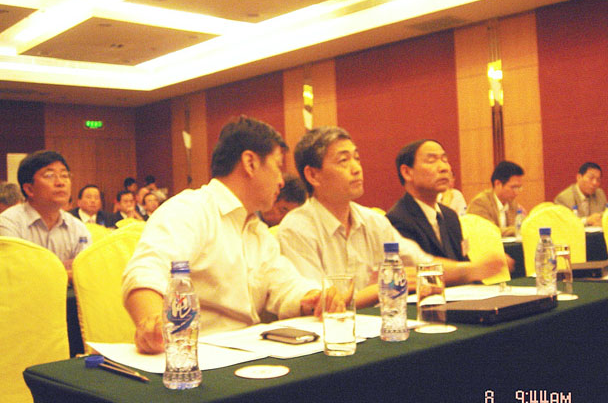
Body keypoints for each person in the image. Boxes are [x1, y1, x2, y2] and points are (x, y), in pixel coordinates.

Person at [122, 116, 339, 354]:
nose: (281, 181)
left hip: (248, 351)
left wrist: (312, 297)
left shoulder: (257, 231)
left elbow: (283, 284)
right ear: (250, 163)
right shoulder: (190, 210)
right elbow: (146, 271)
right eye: (278, 166)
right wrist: (151, 320)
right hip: (197, 354)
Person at [277, 127, 505, 309]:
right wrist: (383, 288)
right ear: (313, 175)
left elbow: (421, 263)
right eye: (343, 161)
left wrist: (472, 269)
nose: (356, 168)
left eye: (357, 158)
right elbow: (321, 304)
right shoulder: (296, 228)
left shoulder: (373, 221)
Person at [0, 150, 91, 280]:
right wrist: (65, 272)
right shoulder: (9, 223)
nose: (60, 182)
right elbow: (16, 274)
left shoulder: (77, 227)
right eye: (49, 176)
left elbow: (86, 272)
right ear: (29, 189)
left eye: (64, 175)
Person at [386, 140, 467, 261]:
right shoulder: (397, 220)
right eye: (431, 161)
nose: (444, 168)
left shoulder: (450, 216)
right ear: (407, 172)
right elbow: (415, 268)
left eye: (445, 160)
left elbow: (464, 262)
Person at [467, 161, 525, 237]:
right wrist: (519, 229)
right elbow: (489, 231)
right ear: (498, 184)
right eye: (513, 187)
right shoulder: (480, 203)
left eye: (519, 187)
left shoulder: (512, 203)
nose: (517, 192)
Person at [554, 162, 607, 226]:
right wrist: (587, 221)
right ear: (579, 177)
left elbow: (606, 215)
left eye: (598, 180)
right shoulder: (564, 198)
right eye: (591, 178)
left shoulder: (600, 194)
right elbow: (563, 223)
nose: (595, 183)